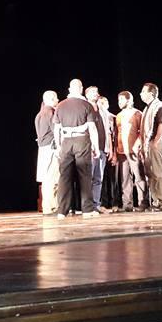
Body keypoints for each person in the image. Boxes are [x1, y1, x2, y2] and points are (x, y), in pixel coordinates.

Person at [52, 79, 101, 219]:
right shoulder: (86, 105)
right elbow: (92, 128)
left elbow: (56, 129)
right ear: (80, 89)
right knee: (85, 175)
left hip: (66, 142)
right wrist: (96, 147)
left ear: (69, 89)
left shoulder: (60, 105)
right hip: (82, 140)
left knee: (64, 176)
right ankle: (87, 210)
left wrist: (58, 146)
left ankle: (62, 211)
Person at [137, 82, 162, 211]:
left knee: (158, 173)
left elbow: (161, 125)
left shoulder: (158, 107)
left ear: (151, 93)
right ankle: (156, 201)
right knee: (150, 174)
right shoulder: (147, 109)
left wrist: (155, 141)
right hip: (148, 144)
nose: (141, 94)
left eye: (143, 91)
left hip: (155, 143)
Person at [115, 91, 146, 211]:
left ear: (128, 100)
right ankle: (127, 204)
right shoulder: (119, 116)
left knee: (139, 177)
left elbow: (142, 132)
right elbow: (117, 134)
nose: (119, 102)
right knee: (125, 179)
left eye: (121, 100)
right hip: (122, 151)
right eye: (118, 100)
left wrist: (138, 146)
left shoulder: (137, 114)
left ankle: (143, 203)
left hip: (134, 151)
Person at [85, 86, 110, 214]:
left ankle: (96, 204)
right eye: (92, 92)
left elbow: (107, 131)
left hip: (102, 149)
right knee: (88, 178)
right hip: (89, 149)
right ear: (87, 95)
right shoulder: (85, 108)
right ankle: (88, 206)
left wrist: (109, 148)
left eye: (96, 92)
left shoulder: (102, 110)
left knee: (98, 178)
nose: (96, 94)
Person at [34, 91, 59, 214]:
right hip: (51, 148)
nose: (58, 100)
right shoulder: (50, 112)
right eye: (56, 98)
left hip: (43, 148)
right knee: (53, 178)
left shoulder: (39, 114)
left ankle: (47, 206)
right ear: (51, 98)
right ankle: (52, 207)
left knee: (46, 178)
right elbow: (56, 131)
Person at [97, 96, 120, 212]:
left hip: (112, 150)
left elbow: (115, 137)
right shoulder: (97, 118)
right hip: (102, 150)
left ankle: (115, 203)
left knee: (113, 179)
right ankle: (103, 203)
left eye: (105, 102)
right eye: (100, 102)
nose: (102, 104)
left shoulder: (113, 118)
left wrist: (114, 153)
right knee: (101, 178)